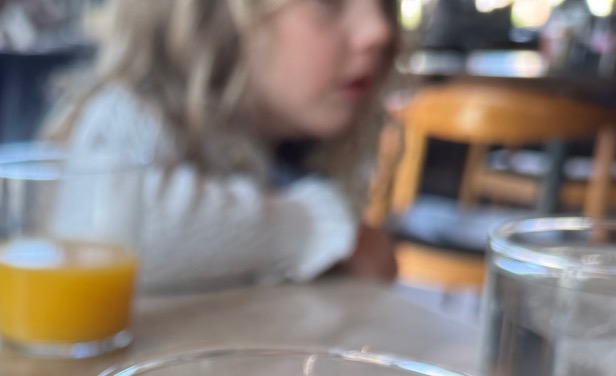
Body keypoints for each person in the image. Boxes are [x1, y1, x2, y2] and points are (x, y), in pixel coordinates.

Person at [44, 0, 399, 291]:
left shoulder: (288, 146)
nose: (379, 30)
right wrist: (322, 228)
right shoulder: (133, 112)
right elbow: (104, 230)